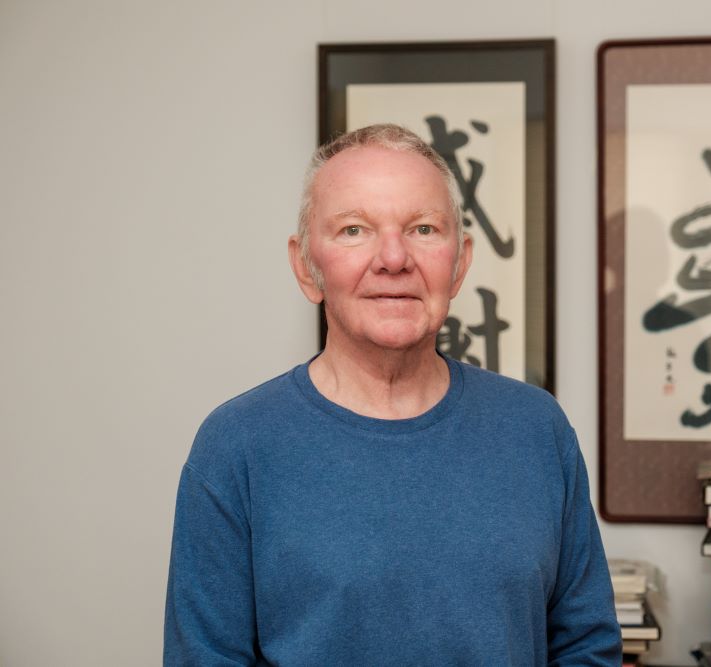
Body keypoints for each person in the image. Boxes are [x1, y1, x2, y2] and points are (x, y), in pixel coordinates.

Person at [164, 124, 621, 665]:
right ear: (305, 267)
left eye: (423, 228)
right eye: (354, 230)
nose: (393, 258)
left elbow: (586, 646)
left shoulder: (536, 427)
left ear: (459, 262)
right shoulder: (236, 444)